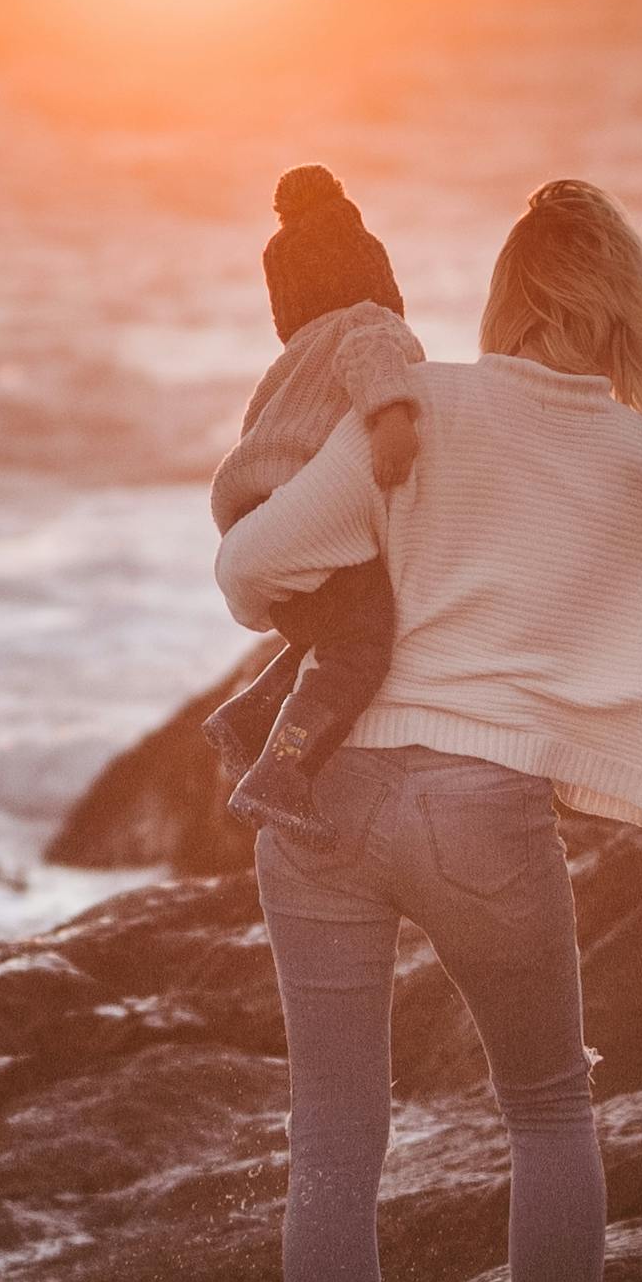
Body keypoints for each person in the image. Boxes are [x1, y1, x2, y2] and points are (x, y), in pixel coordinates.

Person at [212, 176, 642, 1282]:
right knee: (547, 1107)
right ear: (619, 317)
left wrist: (361, 601)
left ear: (509, 297)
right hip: (479, 809)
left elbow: (247, 570)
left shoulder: (419, 401)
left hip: (319, 795)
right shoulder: (641, 457)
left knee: (331, 1139)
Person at [206, 165, 428, 838]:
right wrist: (393, 419)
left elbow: (259, 433)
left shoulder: (294, 356)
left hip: (256, 511)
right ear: (377, 277)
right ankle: (283, 773)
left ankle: (245, 717)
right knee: (362, 645)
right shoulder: (371, 324)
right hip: (304, 507)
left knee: (330, 630)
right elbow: (372, 356)